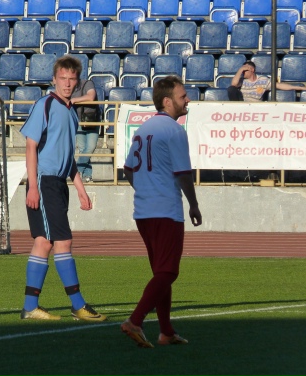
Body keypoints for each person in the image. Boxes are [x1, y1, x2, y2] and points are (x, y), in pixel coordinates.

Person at [19, 55, 106, 322]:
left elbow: (69, 158)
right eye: (63, 78)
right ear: (54, 79)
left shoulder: (70, 112)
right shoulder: (45, 104)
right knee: (63, 241)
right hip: (44, 182)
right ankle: (78, 305)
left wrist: (80, 188)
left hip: (58, 183)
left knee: (43, 242)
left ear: (77, 82)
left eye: (72, 79)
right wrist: (33, 186)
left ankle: (30, 307)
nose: (67, 83)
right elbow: (31, 146)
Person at [120, 76, 202, 348]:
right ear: (167, 101)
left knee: (161, 272)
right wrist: (193, 204)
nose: (187, 100)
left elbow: (128, 170)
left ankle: (166, 331)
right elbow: (183, 173)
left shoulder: (143, 129)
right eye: (182, 96)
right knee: (168, 272)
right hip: (166, 210)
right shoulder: (174, 130)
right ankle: (135, 320)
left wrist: (145, 188)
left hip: (143, 210)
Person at [227, 61, 306, 102]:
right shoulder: (241, 80)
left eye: (245, 70)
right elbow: (233, 85)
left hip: (255, 106)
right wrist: (240, 69)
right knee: (231, 89)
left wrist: (300, 88)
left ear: (252, 70)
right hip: (242, 105)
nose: (243, 72)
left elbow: (279, 85)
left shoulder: (263, 80)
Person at [72, 79, 99, 183]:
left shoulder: (87, 83)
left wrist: (74, 100)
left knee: (90, 147)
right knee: (82, 148)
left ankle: (77, 170)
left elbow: (91, 97)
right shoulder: (68, 86)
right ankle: (87, 175)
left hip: (92, 119)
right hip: (78, 119)